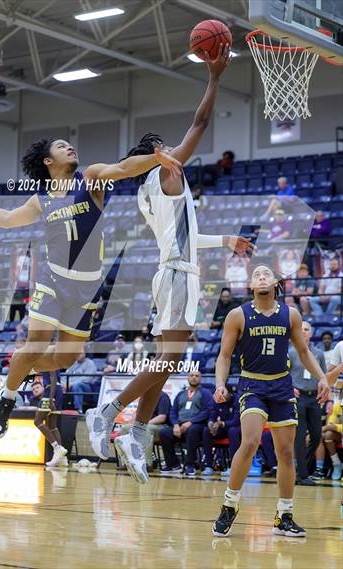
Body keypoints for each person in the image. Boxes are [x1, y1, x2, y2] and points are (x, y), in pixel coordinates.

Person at [0, 131, 181, 440]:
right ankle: (6, 398)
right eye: (61, 146)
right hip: (53, 279)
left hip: (87, 288)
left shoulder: (90, 179)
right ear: (48, 160)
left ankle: (21, 362)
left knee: (65, 359)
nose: (70, 147)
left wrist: (153, 159)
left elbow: (122, 169)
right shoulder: (40, 200)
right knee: (37, 341)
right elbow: (6, 218)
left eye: (70, 144)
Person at [86, 46, 253, 484]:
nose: (176, 153)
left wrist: (225, 240)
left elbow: (186, 235)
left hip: (175, 270)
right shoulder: (166, 173)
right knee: (168, 360)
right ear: (157, 153)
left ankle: (137, 433)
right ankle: (108, 411)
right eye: (165, 148)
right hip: (177, 275)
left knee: (165, 361)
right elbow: (199, 123)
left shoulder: (149, 192)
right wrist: (215, 77)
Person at [212, 264, 330, 538]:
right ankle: (229, 505)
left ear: (276, 282)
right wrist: (220, 383)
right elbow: (224, 355)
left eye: (266, 274)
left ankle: (284, 515)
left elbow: (303, 351)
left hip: (282, 385)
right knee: (250, 441)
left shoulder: (291, 315)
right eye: (256, 275)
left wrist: (322, 377)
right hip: (252, 384)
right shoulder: (237, 315)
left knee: (286, 453)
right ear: (251, 285)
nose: (261, 277)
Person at [289, 321, 326, 485]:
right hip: (298, 397)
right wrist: (289, 387)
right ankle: (302, 475)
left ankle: (302, 469)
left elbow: (324, 376)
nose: (303, 332)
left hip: (315, 397)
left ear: (311, 333)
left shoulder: (319, 353)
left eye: (306, 330)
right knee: (299, 436)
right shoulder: (290, 352)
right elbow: (282, 374)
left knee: (317, 436)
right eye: (301, 329)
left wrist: (329, 398)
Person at [159, 371, 212, 476]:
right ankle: (173, 464)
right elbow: (173, 411)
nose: (194, 378)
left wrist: (191, 422)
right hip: (180, 426)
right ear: (187, 378)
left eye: (197, 376)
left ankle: (190, 465)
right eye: (191, 376)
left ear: (200, 379)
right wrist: (175, 425)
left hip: (197, 425)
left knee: (192, 430)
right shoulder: (181, 394)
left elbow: (207, 411)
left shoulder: (205, 393)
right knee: (164, 432)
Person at [120, 390, 171, 468]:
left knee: (146, 429)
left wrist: (143, 425)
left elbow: (162, 417)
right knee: (125, 428)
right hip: (145, 426)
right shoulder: (144, 397)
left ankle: (148, 463)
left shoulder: (163, 396)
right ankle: (128, 463)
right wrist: (134, 424)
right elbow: (137, 414)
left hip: (160, 426)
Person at [29, 372, 68, 467]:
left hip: (51, 390)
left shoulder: (49, 359)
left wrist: (50, 399)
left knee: (37, 421)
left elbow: (53, 377)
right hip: (56, 391)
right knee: (52, 426)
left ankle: (57, 448)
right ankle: (62, 459)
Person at [201, 386, 240, 475]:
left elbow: (236, 421)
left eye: (223, 394)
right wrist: (211, 424)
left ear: (230, 394)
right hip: (222, 428)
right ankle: (209, 466)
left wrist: (221, 424)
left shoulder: (237, 400)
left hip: (237, 428)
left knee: (232, 431)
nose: (221, 396)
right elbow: (212, 415)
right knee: (207, 431)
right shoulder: (217, 399)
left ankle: (233, 467)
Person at [323, 398, 342, 480]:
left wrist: (334, 427)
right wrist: (331, 426)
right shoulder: (338, 405)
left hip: (339, 430)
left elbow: (332, 426)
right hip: (340, 433)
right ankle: (337, 464)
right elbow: (331, 421)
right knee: (328, 435)